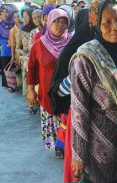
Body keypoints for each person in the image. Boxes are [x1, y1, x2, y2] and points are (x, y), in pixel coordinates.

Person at [69, 0, 117, 183]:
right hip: (100, 147)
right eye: (107, 22)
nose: (116, 27)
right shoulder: (86, 58)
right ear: (95, 23)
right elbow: (79, 110)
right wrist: (78, 155)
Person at [48, 8, 95, 183]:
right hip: (78, 120)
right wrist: (79, 77)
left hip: (100, 121)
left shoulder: (104, 49)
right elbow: (57, 90)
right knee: (79, 169)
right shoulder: (71, 52)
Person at [27, 9, 71, 157]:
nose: (60, 25)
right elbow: (32, 67)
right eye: (57, 21)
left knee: (66, 119)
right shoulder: (39, 45)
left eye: (64, 21)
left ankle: (67, 146)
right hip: (47, 92)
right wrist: (30, 88)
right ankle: (57, 147)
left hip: (67, 92)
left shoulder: (71, 42)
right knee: (53, 119)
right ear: (49, 22)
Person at [0, 6, 14, 87]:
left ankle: (15, 84)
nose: (5, 14)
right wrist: (7, 42)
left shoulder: (15, 23)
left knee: (14, 67)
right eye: (3, 12)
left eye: (7, 12)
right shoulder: (0, 25)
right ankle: (7, 84)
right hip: (5, 49)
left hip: (15, 49)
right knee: (5, 68)